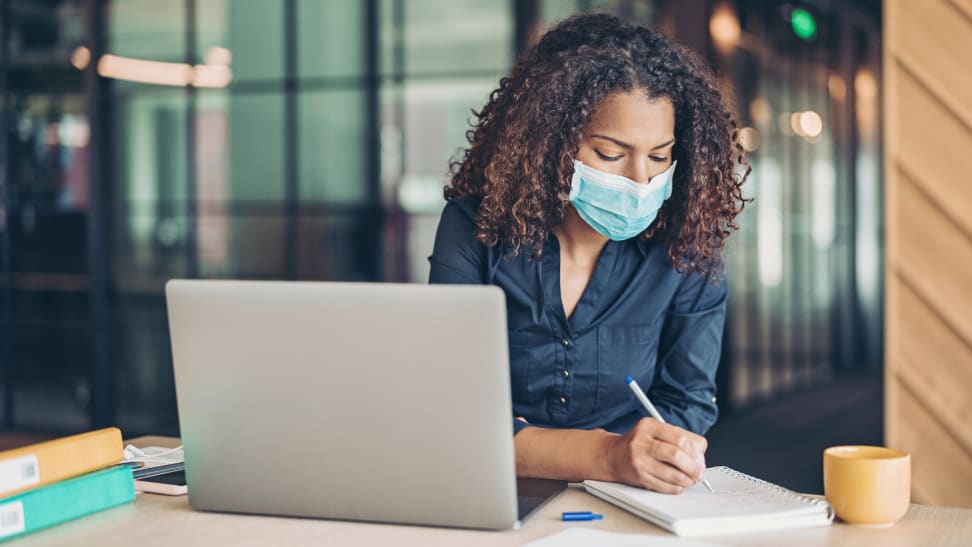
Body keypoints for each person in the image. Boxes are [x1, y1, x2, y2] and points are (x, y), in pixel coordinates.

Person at [428, 14, 749, 494]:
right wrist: (608, 455)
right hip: (485, 490)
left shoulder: (687, 248)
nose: (641, 179)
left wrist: (661, 454)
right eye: (610, 153)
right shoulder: (474, 228)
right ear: (551, 144)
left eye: (659, 156)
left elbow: (687, 406)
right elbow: (454, 414)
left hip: (630, 499)